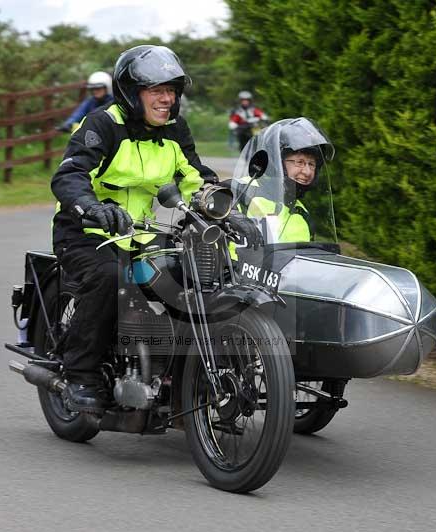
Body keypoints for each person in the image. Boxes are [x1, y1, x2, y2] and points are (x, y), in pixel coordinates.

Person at [50, 45, 261, 414]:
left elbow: (197, 177)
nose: (167, 99)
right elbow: (69, 176)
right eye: (157, 90)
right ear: (132, 93)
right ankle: (80, 372)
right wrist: (94, 208)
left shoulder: (175, 130)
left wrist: (227, 209)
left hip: (140, 233)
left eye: (172, 91)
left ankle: (170, 372)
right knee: (108, 277)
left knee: (188, 276)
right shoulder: (103, 125)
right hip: (85, 230)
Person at [232, 117, 335, 243]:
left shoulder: (302, 214)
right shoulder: (240, 192)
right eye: (300, 162)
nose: (307, 171)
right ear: (277, 162)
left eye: (312, 164)